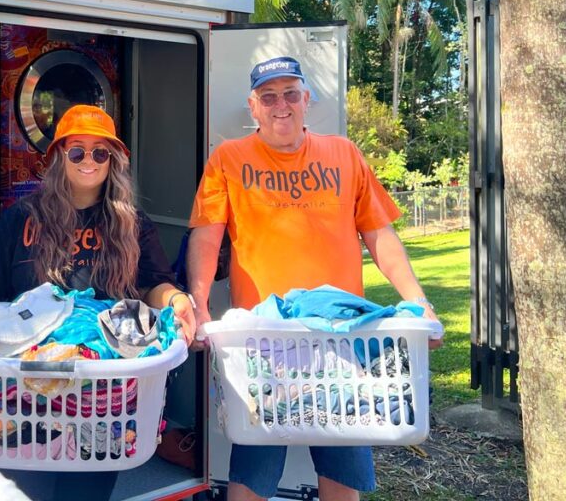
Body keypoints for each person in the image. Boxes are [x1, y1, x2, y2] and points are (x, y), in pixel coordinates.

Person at [186, 56, 442, 501]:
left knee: (343, 478)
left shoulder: (344, 154)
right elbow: (207, 240)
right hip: (264, 345)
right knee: (251, 476)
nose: (279, 105)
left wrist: (418, 301)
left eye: (289, 94)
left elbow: (380, 235)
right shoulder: (228, 158)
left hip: (343, 343)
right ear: (253, 106)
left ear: (306, 99)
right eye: (268, 96)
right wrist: (200, 303)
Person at [0, 104, 197, 500]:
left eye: (100, 152)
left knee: (86, 492)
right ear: (58, 157)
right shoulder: (22, 217)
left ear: (114, 161)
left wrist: (177, 299)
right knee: (27, 490)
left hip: (101, 393)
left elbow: (153, 285)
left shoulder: (132, 223)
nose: (88, 161)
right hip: (23, 391)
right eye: (76, 151)